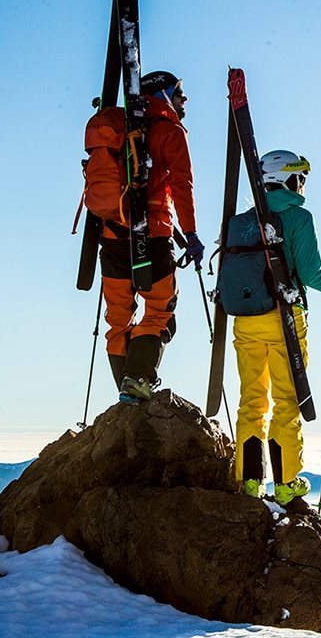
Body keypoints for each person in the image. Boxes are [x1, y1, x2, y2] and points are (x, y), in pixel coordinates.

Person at [234, 150, 321, 505]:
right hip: (284, 319)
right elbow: (309, 274)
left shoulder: (246, 219)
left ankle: (248, 481)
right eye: (299, 177)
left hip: (245, 320)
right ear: (286, 179)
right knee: (287, 399)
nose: (302, 185)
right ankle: (287, 481)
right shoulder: (298, 217)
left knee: (252, 400)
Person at [97, 70, 205, 404]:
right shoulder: (168, 129)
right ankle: (138, 381)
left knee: (118, 317)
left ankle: (126, 390)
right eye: (180, 92)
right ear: (164, 92)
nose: (184, 100)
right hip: (153, 234)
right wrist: (190, 233)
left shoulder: (119, 131)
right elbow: (182, 184)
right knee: (159, 310)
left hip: (111, 235)